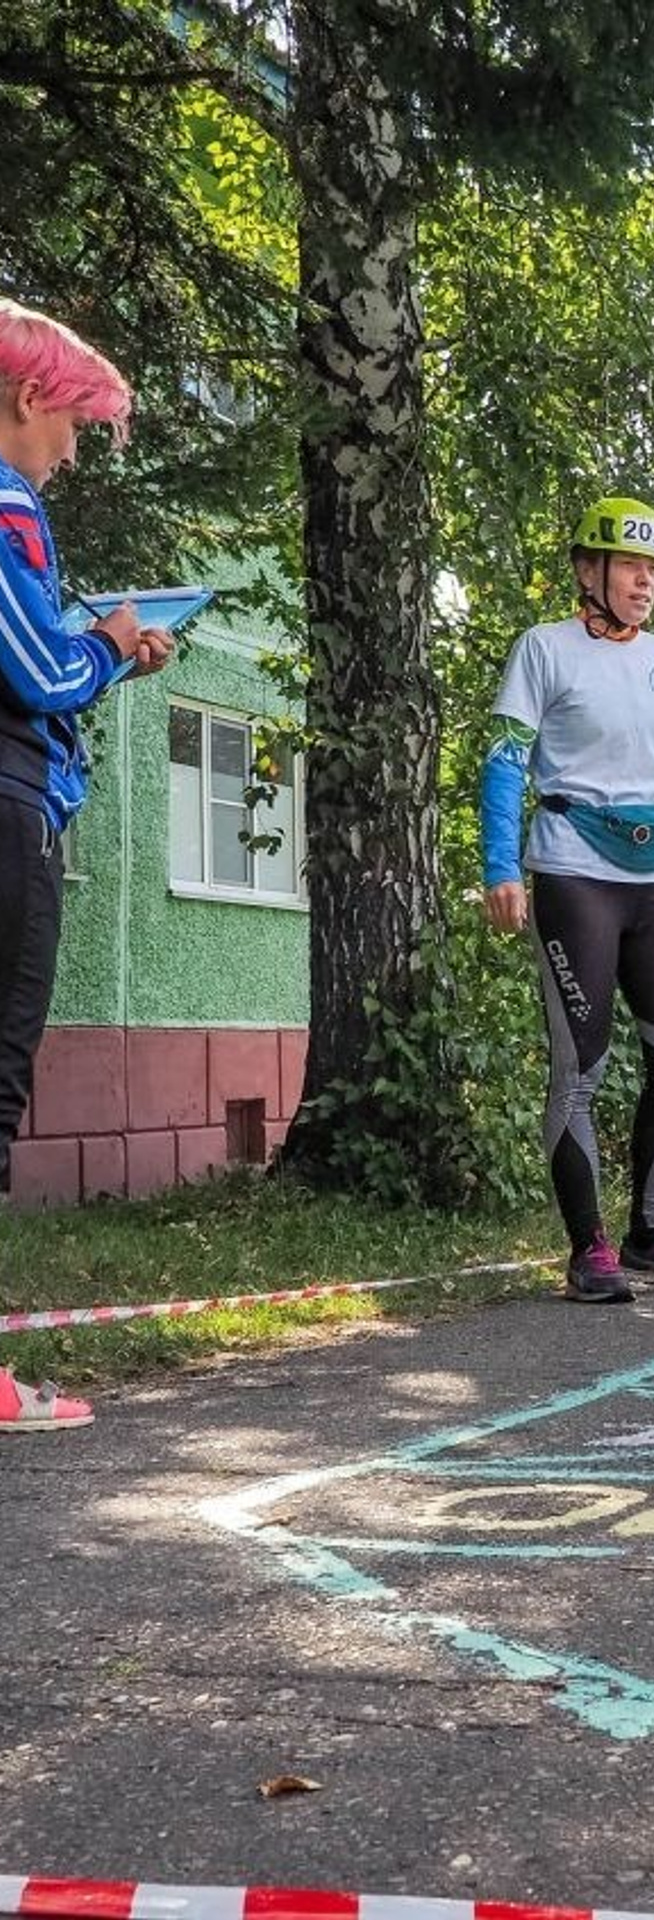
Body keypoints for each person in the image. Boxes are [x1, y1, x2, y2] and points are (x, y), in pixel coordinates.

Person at [481, 496, 654, 1302]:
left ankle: (651, 1232)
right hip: (573, 873)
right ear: (587, 570)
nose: (647, 582)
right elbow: (505, 761)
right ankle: (587, 1248)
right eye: (633, 566)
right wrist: (502, 868)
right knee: (582, 1068)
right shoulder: (544, 649)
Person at [0, 298, 175, 1432]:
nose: (72, 453)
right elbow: (35, 676)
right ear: (25, 400)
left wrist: (106, 658)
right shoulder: (5, 504)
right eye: (73, 424)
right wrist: (107, 644)